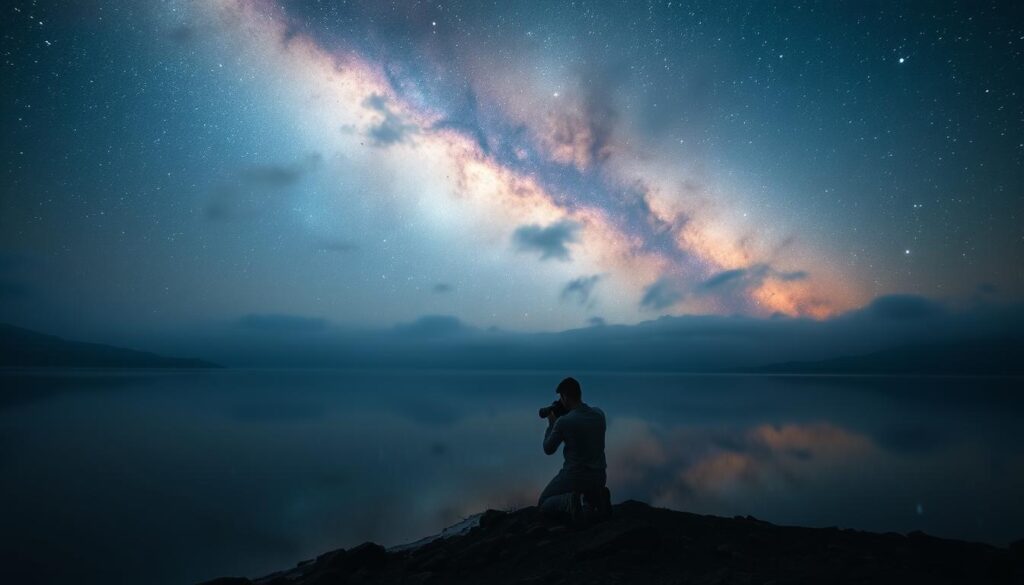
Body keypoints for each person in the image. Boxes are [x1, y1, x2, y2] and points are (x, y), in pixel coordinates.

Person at [537, 377, 612, 525]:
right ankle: (598, 498)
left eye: (561, 397)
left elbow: (548, 448)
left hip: (575, 477)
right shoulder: (599, 414)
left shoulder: (564, 422)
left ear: (564, 397)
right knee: (588, 507)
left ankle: (569, 502)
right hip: (600, 476)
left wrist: (552, 424)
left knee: (543, 503)